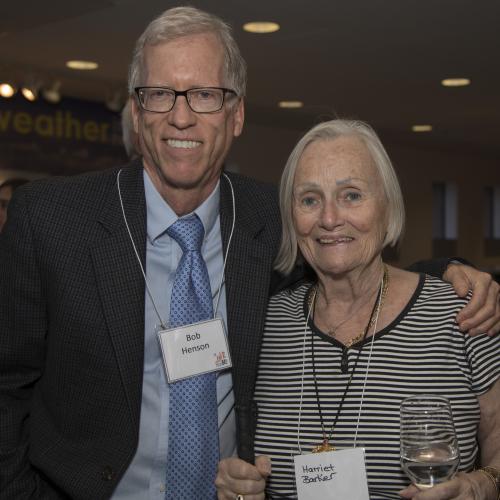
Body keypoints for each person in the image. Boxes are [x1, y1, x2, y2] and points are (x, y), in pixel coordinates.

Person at [0, 7, 498, 500]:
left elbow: (345, 251)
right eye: (159, 94)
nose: (180, 115)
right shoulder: (50, 219)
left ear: (236, 114)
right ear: (136, 110)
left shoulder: (269, 216)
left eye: (205, 95)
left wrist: (447, 272)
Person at [215, 120, 500, 500]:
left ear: (387, 205)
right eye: (310, 199)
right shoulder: (266, 323)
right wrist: (237, 486)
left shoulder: (463, 312)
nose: (330, 219)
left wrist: (482, 486)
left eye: (351, 195)